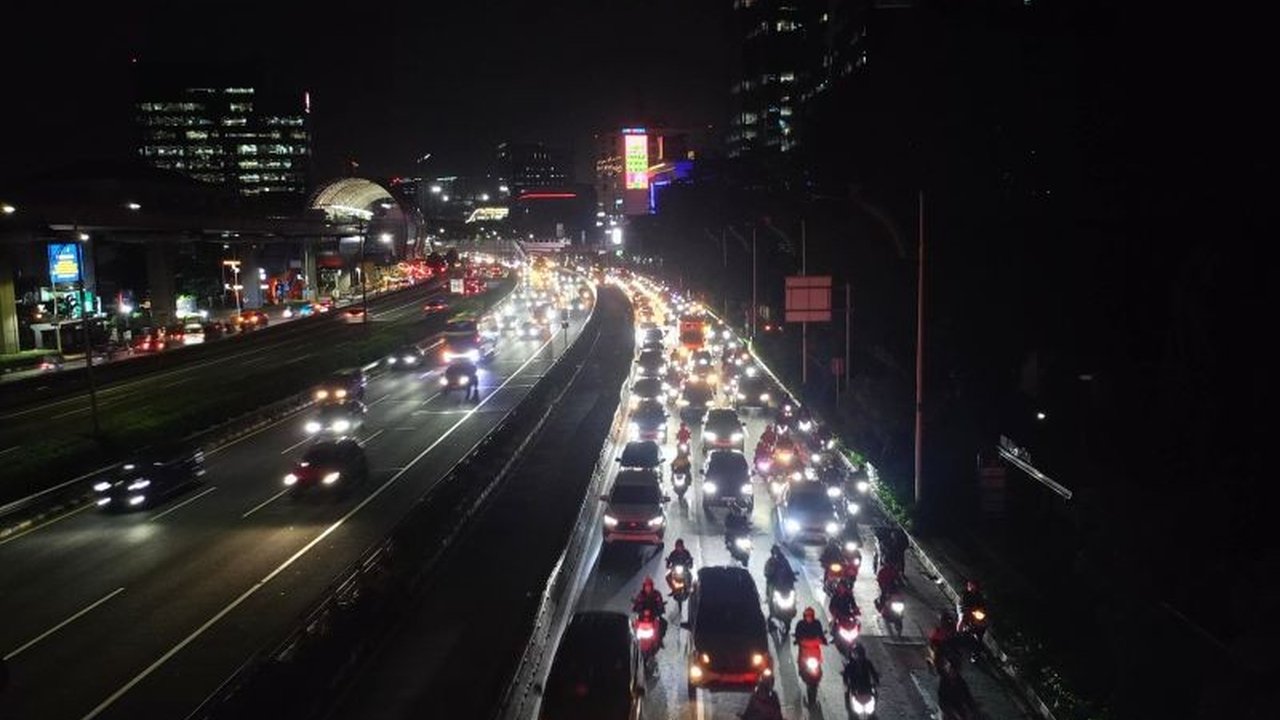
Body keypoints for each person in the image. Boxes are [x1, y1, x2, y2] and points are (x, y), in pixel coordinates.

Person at [633, 577, 669, 645]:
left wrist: (659, 609)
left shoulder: (656, 594)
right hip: (642, 617)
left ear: (652, 586)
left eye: (649, 586)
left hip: (653, 616)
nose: (648, 588)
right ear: (644, 587)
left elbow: (660, 604)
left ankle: (660, 640)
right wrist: (639, 609)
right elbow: (637, 605)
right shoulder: (640, 595)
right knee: (634, 624)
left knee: (664, 623)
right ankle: (635, 641)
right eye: (646, 586)